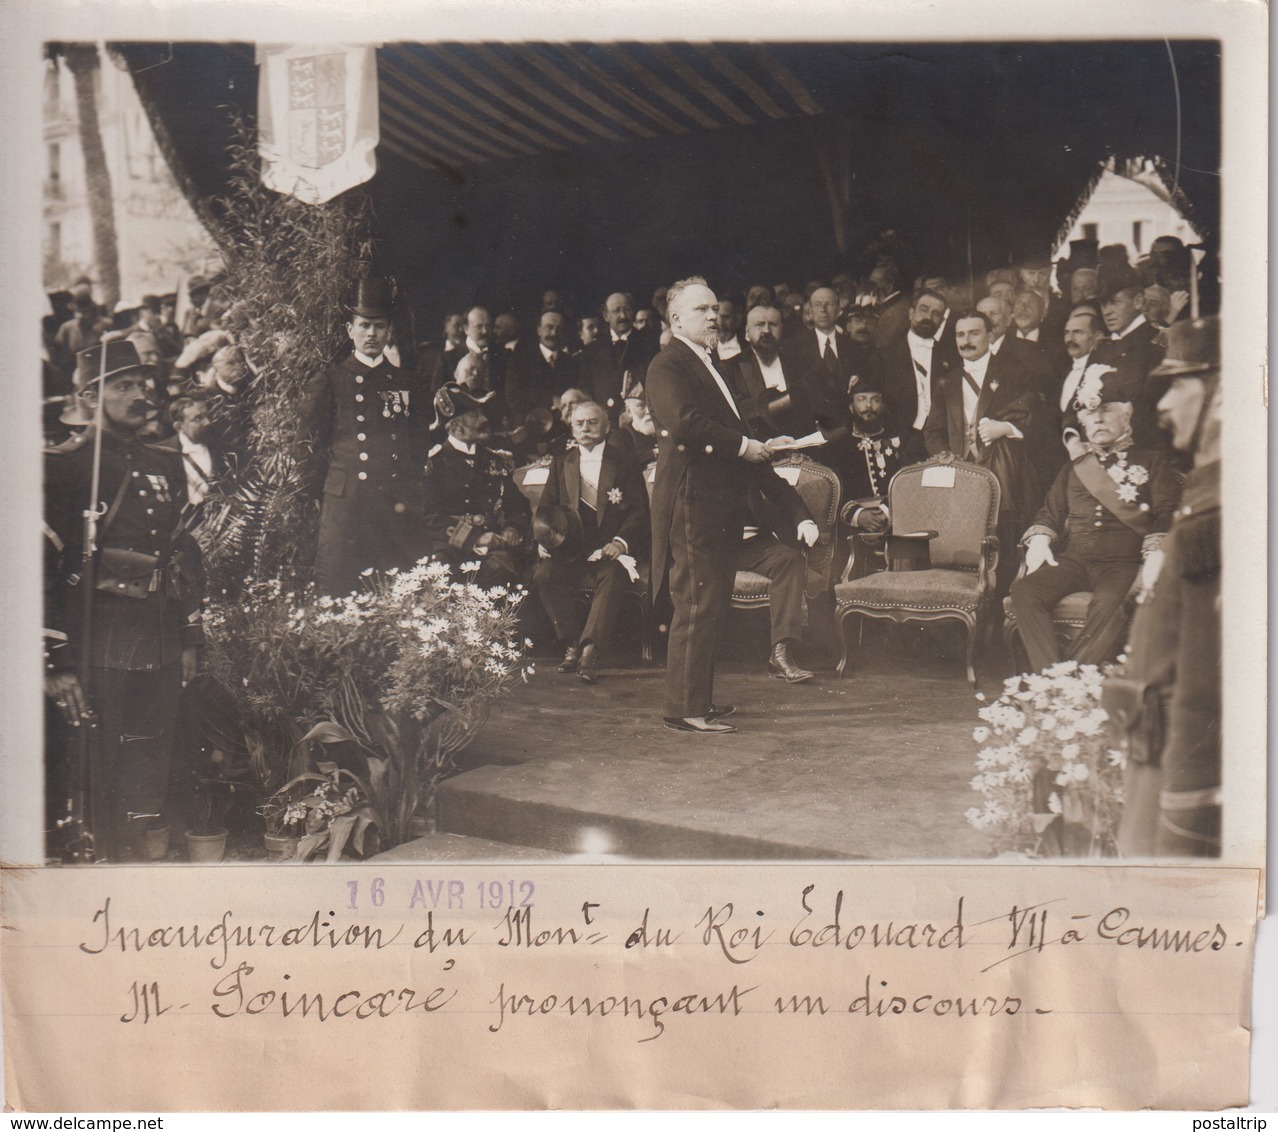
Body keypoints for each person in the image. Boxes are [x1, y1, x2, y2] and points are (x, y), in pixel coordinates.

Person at [44, 340, 204, 861]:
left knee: (150, 759)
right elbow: (39, 568)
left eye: (143, 384)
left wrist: (188, 638)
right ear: (91, 395)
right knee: (97, 765)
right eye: (124, 385)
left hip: (157, 637)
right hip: (99, 640)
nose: (141, 395)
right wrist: (56, 660)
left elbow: (183, 554)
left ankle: (138, 857)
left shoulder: (166, 459)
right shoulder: (67, 465)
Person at [647, 276, 819, 734]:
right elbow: (685, 423)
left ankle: (696, 701)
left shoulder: (711, 365)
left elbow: (734, 435)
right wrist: (745, 446)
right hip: (693, 503)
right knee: (697, 604)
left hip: (716, 506)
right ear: (676, 318)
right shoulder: (668, 365)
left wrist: (761, 447)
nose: (713, 316)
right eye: (701, 310)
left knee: (711, 604)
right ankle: (684, 709)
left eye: (714, 309)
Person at [1117, 317, 1221, 858]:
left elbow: (1205, 686)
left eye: (1180, 385)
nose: (1162, 404)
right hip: (1156, 753)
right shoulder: (1207, 497)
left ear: (1224, 396)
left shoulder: (1218, 513)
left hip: (1179, 781)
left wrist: (1185, 813)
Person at [1009, 366, 1178, 673]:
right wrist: (1040, 539)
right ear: (1083, 424)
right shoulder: (1074, 468)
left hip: (1121, 563)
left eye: (1106, 411)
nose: (1097, 419)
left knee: (1111, 604)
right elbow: (1050, 512)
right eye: (1090, 415)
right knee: (1024, 591)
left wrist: (1154, 553)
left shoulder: (1153, 461)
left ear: (1126, 416)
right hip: (1075, 560)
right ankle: (1052, 678)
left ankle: (1066, 684)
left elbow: (1166, 513)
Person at [295, 277, 434, 595]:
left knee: (399, 587)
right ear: (350, 330)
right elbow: (305, 447)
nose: (371, 333)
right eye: (364, 325)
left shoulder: (407, 383)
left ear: (388, 332)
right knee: (337, 587)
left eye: (379, 326)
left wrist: (405, 483)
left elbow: (419, 443)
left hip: (394, 502)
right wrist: (327, 491)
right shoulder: (330, 382)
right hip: (346, 505)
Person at [532, 400, 650, 683]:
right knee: (544, 573)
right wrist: (544, 539)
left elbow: (639, 511)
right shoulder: (563, 462)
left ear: (607, 427)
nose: (585, 428)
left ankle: (590, 649)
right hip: (571, 550)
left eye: (592, 422)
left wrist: (620, 543)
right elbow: (546, 510)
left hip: (608, 548)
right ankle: (571, 643)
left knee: (611, 576)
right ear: (571, 427)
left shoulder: (623, 460)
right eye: (579, 423)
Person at [923, 310, 1041, 586]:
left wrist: (1007, 428)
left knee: (1005, 549)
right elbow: (932, 431)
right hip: (960, 479)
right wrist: (946, 458)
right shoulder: (946, 381)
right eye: (960, 334)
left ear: (990, 335)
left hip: (1005, 477)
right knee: (965, 552)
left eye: (974, 333)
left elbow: (1037, 419)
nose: (966, 341)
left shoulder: (1015, 373)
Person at [422, 395, 531, 589]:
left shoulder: (495, 460)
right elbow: (431, 516)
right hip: (450, 547)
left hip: (495, 545)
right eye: (474, 414)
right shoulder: (434, 463)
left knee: (502, 569)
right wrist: (475, 538)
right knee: (443, 572)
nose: (483, 419)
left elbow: (518, 506)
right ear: (456, 426)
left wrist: (513, 528)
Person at [579, 291, 659, 419]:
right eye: (616, 311)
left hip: (638, 419)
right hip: (604, 420)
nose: (623, 316)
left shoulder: (649, 344)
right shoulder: (591, 351)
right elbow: (586, 389)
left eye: (627, 309)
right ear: (606, 316)